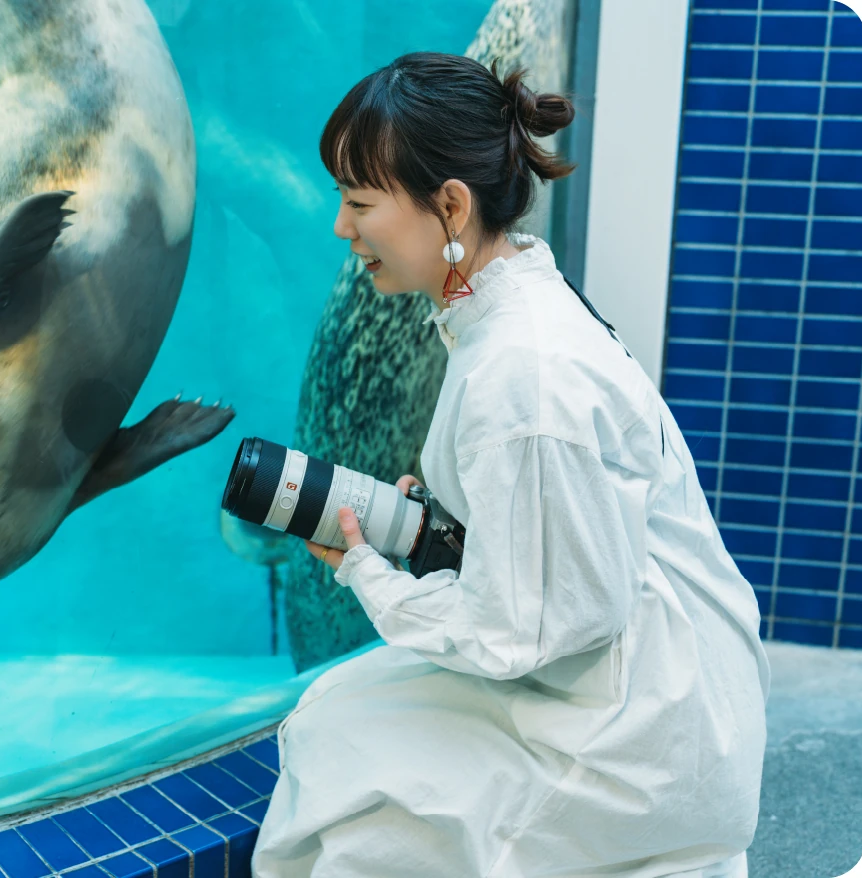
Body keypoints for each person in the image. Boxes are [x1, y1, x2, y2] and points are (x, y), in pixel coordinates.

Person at [251, 52, 770, 878]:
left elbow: (524, 629)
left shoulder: (519, 377)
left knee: (349, 809)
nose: (342, 230)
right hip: (641, 671)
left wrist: (367, 571)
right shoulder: (510, 303)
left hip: (642, 735)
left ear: (449, 204)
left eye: (358, 203)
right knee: (331, 711)